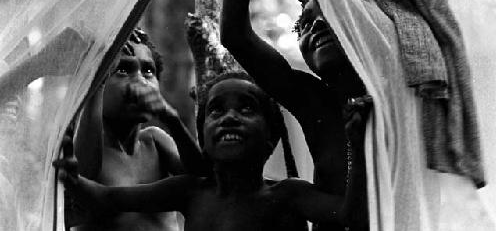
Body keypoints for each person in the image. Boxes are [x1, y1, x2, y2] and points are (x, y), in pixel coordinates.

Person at [55, 71, 368, 231]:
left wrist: (357, 147)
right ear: (202, 139)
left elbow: (349, 214)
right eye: (216, 111)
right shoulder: (190, 192)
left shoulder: (289, 195)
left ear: (271, 140)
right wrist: (73, 178)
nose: (230, 116)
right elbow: (107, 197)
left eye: (247, 109)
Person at [219, 0, 370, 230]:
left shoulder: (405, 86)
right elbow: (235, 35)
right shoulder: (315, 102)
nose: (314, 28)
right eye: (304, 24)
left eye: (328, 15)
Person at [67, 28, 205, 231]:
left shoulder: (155, 142)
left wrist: (172, 118)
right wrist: (96, 80)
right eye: (122, 70)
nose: (140, 80)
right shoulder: (84, 148)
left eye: (148, 71)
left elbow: (204, 180)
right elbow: (81, 182)